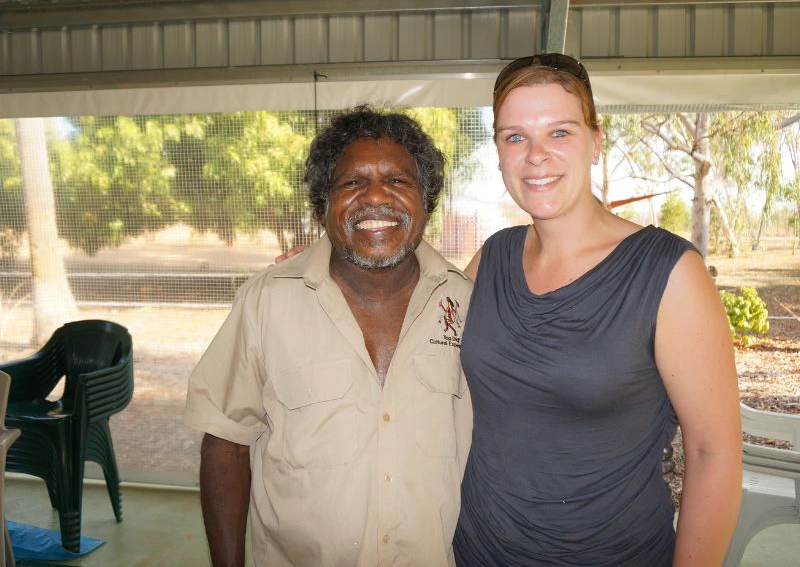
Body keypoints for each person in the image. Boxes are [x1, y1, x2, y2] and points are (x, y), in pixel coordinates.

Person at [452, 54, 742, 566]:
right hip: (477, 551)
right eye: (514, 136)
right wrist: (340, 265)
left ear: (596, 142)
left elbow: (712, 454)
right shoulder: (491, 259)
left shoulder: (668, 273)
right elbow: (415, 313)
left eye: (559, 132)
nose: (535, 155)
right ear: (497, 151)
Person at [184, 107, 473, 567]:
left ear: (426, 198)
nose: (375, 197)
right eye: (352, 182)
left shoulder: (468, 304)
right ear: (323, 204)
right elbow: (225, 441)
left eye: (398, 181)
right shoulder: (267, 302)